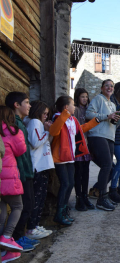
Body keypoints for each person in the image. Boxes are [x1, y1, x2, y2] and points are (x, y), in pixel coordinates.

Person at [50, 96, 99, 225]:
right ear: (66, 108)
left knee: (70, 184)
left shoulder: (73, 120)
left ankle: (64, 211)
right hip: (60, 157)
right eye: (72, 104)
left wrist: (95, 121)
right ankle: (59, 214)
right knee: (65, 184)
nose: (75, 107)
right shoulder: (57, 118)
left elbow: (80, 130)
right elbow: (54, 131)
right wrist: (64, 115)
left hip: (71, 157)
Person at [5, 92, 38, 251]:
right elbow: (19, 152)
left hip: (23, 171)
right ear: (16, 105)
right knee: (25, 206)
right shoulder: (15, 125)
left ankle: (18, 237)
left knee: (26, 205)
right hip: (21, 172)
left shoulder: (19, 122)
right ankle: (16, 240)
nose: (29, 105)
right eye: (26, 102)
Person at [86, 79, 120, 211]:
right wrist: (107, 116)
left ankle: (98, 192)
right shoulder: (98, 99)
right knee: (107, 165)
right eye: (106, 85)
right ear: (102, 88)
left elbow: (113, 123)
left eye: (111, 86)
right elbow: (89, 114)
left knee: (110, 168)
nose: (109, 87)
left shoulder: (112, 105)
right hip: (97, 135)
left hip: (109, 137)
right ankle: (102, 198)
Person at [24, 101, 54, 239]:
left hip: (43, 165)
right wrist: (47, 131)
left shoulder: (39, 124)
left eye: (47, 114)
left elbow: (45, 141)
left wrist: (49, 132)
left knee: (41, 198)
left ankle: (35, 225)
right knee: (36, 199)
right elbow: (35, 142)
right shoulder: (34, 122)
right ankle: (30, 229)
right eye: (44, 113)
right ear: (37, 111)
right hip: (37, 166)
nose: (46, 117)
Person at [0, 106, 26, 261]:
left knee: (2, 212)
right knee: (18, 206)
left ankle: (2, 253)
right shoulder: (12, 131)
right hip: (9, 176)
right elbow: (21, 150)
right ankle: (7, 236)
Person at [73, 88, 95, 211]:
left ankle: (85, 196)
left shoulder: (89, 110)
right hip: (78, 145)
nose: (85, 99)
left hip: (88, 145)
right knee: (78, 173)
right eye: (82, 97)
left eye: (86, 96)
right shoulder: (75, 110)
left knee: (86, 173)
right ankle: (78, 198)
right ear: (77, 97)